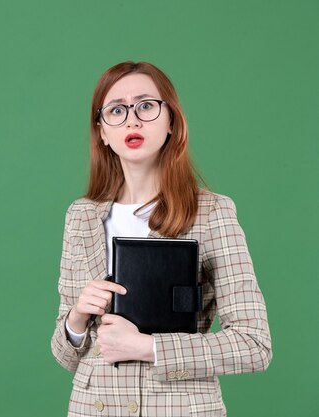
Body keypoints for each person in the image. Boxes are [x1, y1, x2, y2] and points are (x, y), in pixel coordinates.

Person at [50, 61, 272, 417]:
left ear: (171, 121)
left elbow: (254, 344)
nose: (132, 120)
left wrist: (146, 347)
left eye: (146, 106)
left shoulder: (211, 213)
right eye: (117, 110)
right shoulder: (81, 216)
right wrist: (76, 317)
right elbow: (65, 356)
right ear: (102, 132)